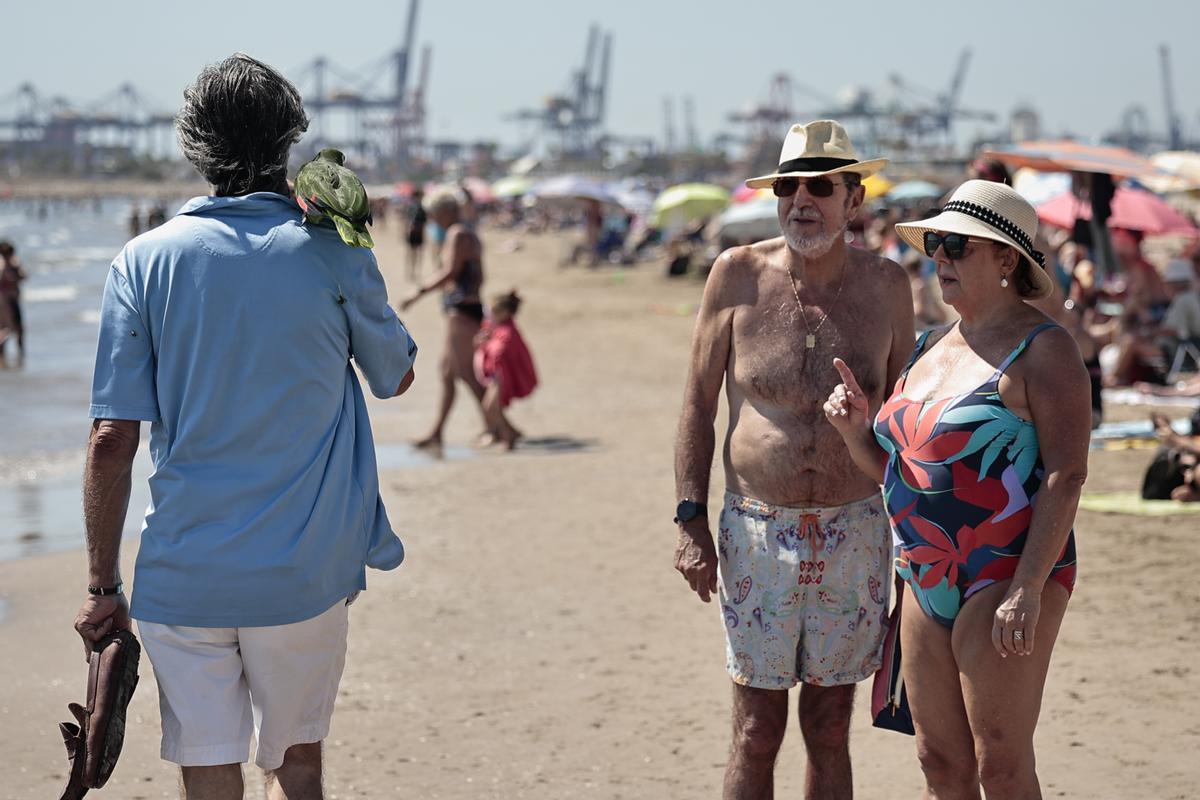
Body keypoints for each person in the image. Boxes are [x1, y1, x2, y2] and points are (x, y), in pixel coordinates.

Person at [73, 53, 418, 800]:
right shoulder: (334, 249)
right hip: (305, 569)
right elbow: (396, 377)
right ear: (291, 140)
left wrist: (103, 585)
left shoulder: (141, 260)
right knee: (295, 765)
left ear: (194, 146)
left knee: (208, 768)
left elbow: (112, 438)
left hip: (185, 571)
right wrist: (353, 254)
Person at [673, 120, 914, 800]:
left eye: (819, 186)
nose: (801, 199)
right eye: (788, 186)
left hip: (857, 527)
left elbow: (904, 418)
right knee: (755, 728)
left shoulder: (887, 285)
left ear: (854, 199)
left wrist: (915, 539)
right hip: (756, 529)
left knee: (831, 725)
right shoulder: (736, 276)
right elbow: (697, 403)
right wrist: (689, 519)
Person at [826, 179, 1089, 797]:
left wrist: (1026, 586)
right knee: (939, 761)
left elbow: (1067, 474)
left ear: (1006, 260)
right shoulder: (929, 346)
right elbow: (899, 471)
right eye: (935, 245)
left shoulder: (1043, 350)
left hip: (1005, 567)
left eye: (956, 246)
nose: (939, 257)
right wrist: (852, 432)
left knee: (999, 761)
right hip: (925, 572)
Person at [401, 189, 489, 449]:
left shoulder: (458, 233)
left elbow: (450, 272)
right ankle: (437, 432)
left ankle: (497, 426)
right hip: (463, 307)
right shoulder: (464, 230)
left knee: (466, 373)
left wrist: (418, 292)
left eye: (433, 214)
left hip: (462, 309)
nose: (432, 220)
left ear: (445, 211)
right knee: (448, 373)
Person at [474, 289, 537, 450]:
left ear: (505, 313)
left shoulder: (508, 332)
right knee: (492, 408)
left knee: (490, 407)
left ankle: (507, 437)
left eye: (494, 312)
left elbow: (499, 351)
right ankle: (508, 435)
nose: (490, 316)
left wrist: (487, 342)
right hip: (496, 376)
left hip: (500, 377)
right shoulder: (495, 327)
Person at [0, 240, 27, 364]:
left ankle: (6, 357)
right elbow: (22, 275)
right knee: (14, 329)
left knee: (9, 329)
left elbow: (24, 275)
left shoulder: (11, 262)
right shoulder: (5, 264)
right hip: (7, 302)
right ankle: (19, 355)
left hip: (8, 301)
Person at [405, 188, 428, 282]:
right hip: (415, 233)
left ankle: (413, 271)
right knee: (414, 253)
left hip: (416, 232)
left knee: (414, 253)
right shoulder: (418, 208)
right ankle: (412, 271)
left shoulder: (416, 207)